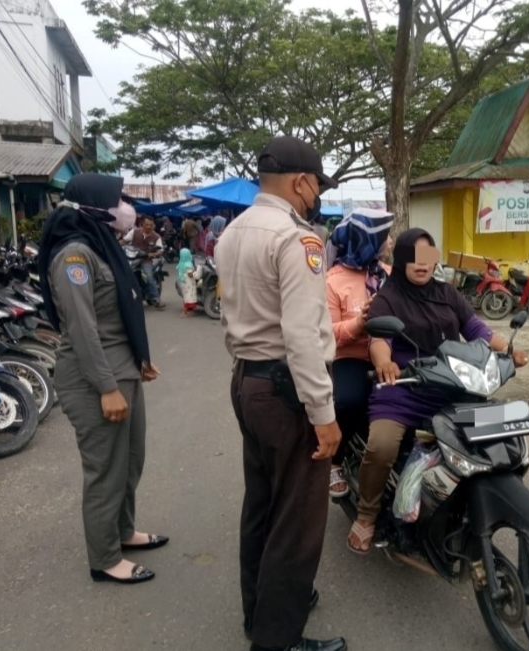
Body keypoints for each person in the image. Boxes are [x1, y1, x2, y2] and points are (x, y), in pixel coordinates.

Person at [216, 135, 346, 651]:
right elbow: (301, 334)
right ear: (300, 182)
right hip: (287, 388)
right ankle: (277, 640)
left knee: (262, 506)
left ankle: (261, 611)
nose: (316, 196)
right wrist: (324, 413)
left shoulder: (232, 232)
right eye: (317, 185)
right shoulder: (299, 239)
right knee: (298, 518)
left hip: (247, 380)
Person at [346, 228, 529, 554]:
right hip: (404, 387)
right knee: (383, 445)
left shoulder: (448, 293)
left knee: (488, 440)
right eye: (413, 258)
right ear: (401, 260)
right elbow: (379, 340)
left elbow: (476, 330)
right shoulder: (389, 298)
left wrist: (509, 351)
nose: (422, 264)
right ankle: (366, 514)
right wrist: (385, 362)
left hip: (451, 385)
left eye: (428, 257)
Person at [38, 173, 165, 585]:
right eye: (117, 199)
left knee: (130, 462)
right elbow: (82, 329)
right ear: (94, 205)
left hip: (122, 370)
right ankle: (105, 558)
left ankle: (123, 531)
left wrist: (139, 359)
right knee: (105, 470)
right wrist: (107, 388)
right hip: (94, 380)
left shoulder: (101, 246)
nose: (124, 207)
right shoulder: (74, 256)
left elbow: (120, 311)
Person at [324, 210, 394, 498]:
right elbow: (325, 333)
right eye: (384, 237)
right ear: (368, 240)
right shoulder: (333, 280)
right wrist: (359, 323)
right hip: (349, 355)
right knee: (351, 400)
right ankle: (335, 462)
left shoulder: (388, 274)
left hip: (390, 352)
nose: (389, 243)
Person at [122, 216, 166, 308]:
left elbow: (161, 250)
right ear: (142, 224)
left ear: (153, 225)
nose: (149, 227)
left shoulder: (156, 236)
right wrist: (116, 245)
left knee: (149, 276)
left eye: (151, 225)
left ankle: (156, 298)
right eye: (147, 224)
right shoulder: (134, 232)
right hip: (132, 258)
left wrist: (153, 254)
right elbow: (124, 241)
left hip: (146, 260)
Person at [176, 248, 203, 317]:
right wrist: (197, 271)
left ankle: (188, 310)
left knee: (186, 296)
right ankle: (184, 312)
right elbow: (190, 274)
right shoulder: (188, 264)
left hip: (183, 282)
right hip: (189, 283)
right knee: (189, 296)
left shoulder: (181, 263)